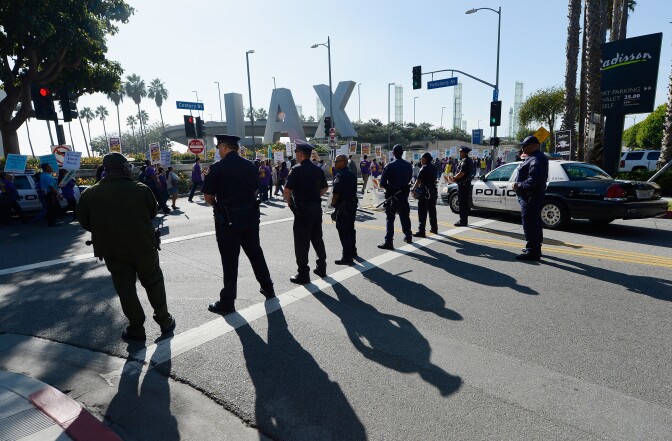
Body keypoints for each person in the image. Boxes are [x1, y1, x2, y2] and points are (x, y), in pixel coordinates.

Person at [77, 153, 175, 341]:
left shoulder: (90, 193)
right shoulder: (141, 189)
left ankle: (136, 327)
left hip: (112, 249)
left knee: (125, 288)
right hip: (144, 246)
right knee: (153, 282)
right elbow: (152, 212)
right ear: (124, 168)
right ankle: (164, 320)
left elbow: (85, 221)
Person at [202, 134, 275, 313]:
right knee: (256, 253)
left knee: (230, 260)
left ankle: (228, 301)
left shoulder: (217, 168)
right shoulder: (250, 165)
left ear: (225, 148)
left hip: (228, 221)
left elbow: (208, 197)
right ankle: (268, 288)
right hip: (250, 216)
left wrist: (219, 207)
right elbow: (256, 188)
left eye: (219, 147)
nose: (218, 151)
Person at [284, 140, 329, 284]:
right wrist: (314, 197)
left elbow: (287, 190)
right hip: (316, 207)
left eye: (297, 152)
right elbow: (324, 188)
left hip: (303, 210)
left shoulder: (297, 169)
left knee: (301, 242)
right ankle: (321, 267)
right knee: (317, 238)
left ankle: (303, 273)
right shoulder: (317, 169)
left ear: (301, 154)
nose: (295, 154)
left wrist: (290, 204)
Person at [512, 136, 549, 261]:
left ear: (533, 145)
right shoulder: (534, 157)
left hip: (530, 196)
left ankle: (532, 251)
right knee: (535, 222)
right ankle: (535, 247)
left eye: (525, 145)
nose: (522, 148)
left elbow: (534, 180)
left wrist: (518, 185)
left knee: (530, 223)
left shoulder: (537, 159)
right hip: (531, 196)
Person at [377, 144, 413, 250]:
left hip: (393, 196)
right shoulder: (408, 165)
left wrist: (391, 189)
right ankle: (408, 236)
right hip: (403, 195)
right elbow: (409, 179)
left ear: (393, 153)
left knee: (390, 218)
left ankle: (389, 242)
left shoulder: (389, 165)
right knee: (405, 216)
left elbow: (382, 183)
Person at [331, 154, 358, 265]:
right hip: (351, 205)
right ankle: (353, 251)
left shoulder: (340, 175)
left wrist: (333, 204)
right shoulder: (352, 174)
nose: (335, 163)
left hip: (343, 207)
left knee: (344, 231)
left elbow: (336, 193)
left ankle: (347, 256)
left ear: (343, 162)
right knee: (351, 229)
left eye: (337, 161)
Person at [412, 152, 439, 237]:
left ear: (425, 159)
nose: (421, 160)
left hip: (425, 192)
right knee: (432, 211)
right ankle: (434, 228)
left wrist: (413, 189)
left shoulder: (423, 168)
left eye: (422, 158)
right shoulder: (434, 168)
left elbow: (418, 180)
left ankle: (421, 231)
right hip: (433, 191)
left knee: (422, 212)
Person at [448, 146, 475, 227]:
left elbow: (461, 173)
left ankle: (463, 221)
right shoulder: (466, 160)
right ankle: (463, 220)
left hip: (463, 185)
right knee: (463, 203)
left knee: (462, 203)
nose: (460, 153)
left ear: (464, 152)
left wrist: (454, 178)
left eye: (461, 152)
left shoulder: (466, 161)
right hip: (464, 184)